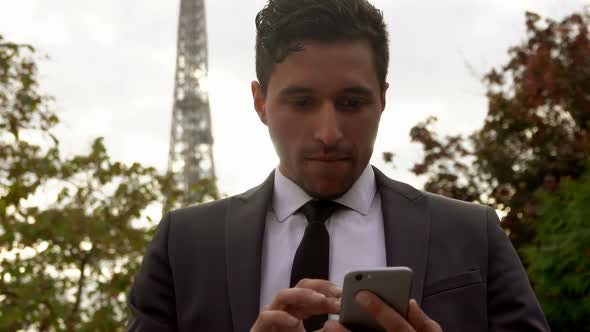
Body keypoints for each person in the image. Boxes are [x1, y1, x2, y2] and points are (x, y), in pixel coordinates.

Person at [127, 0, 550, 331]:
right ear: (260, 102)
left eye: (351, 103)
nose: (328, 132)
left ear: (382, 99)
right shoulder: (183, 246)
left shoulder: (471, 233)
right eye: (302, 102)